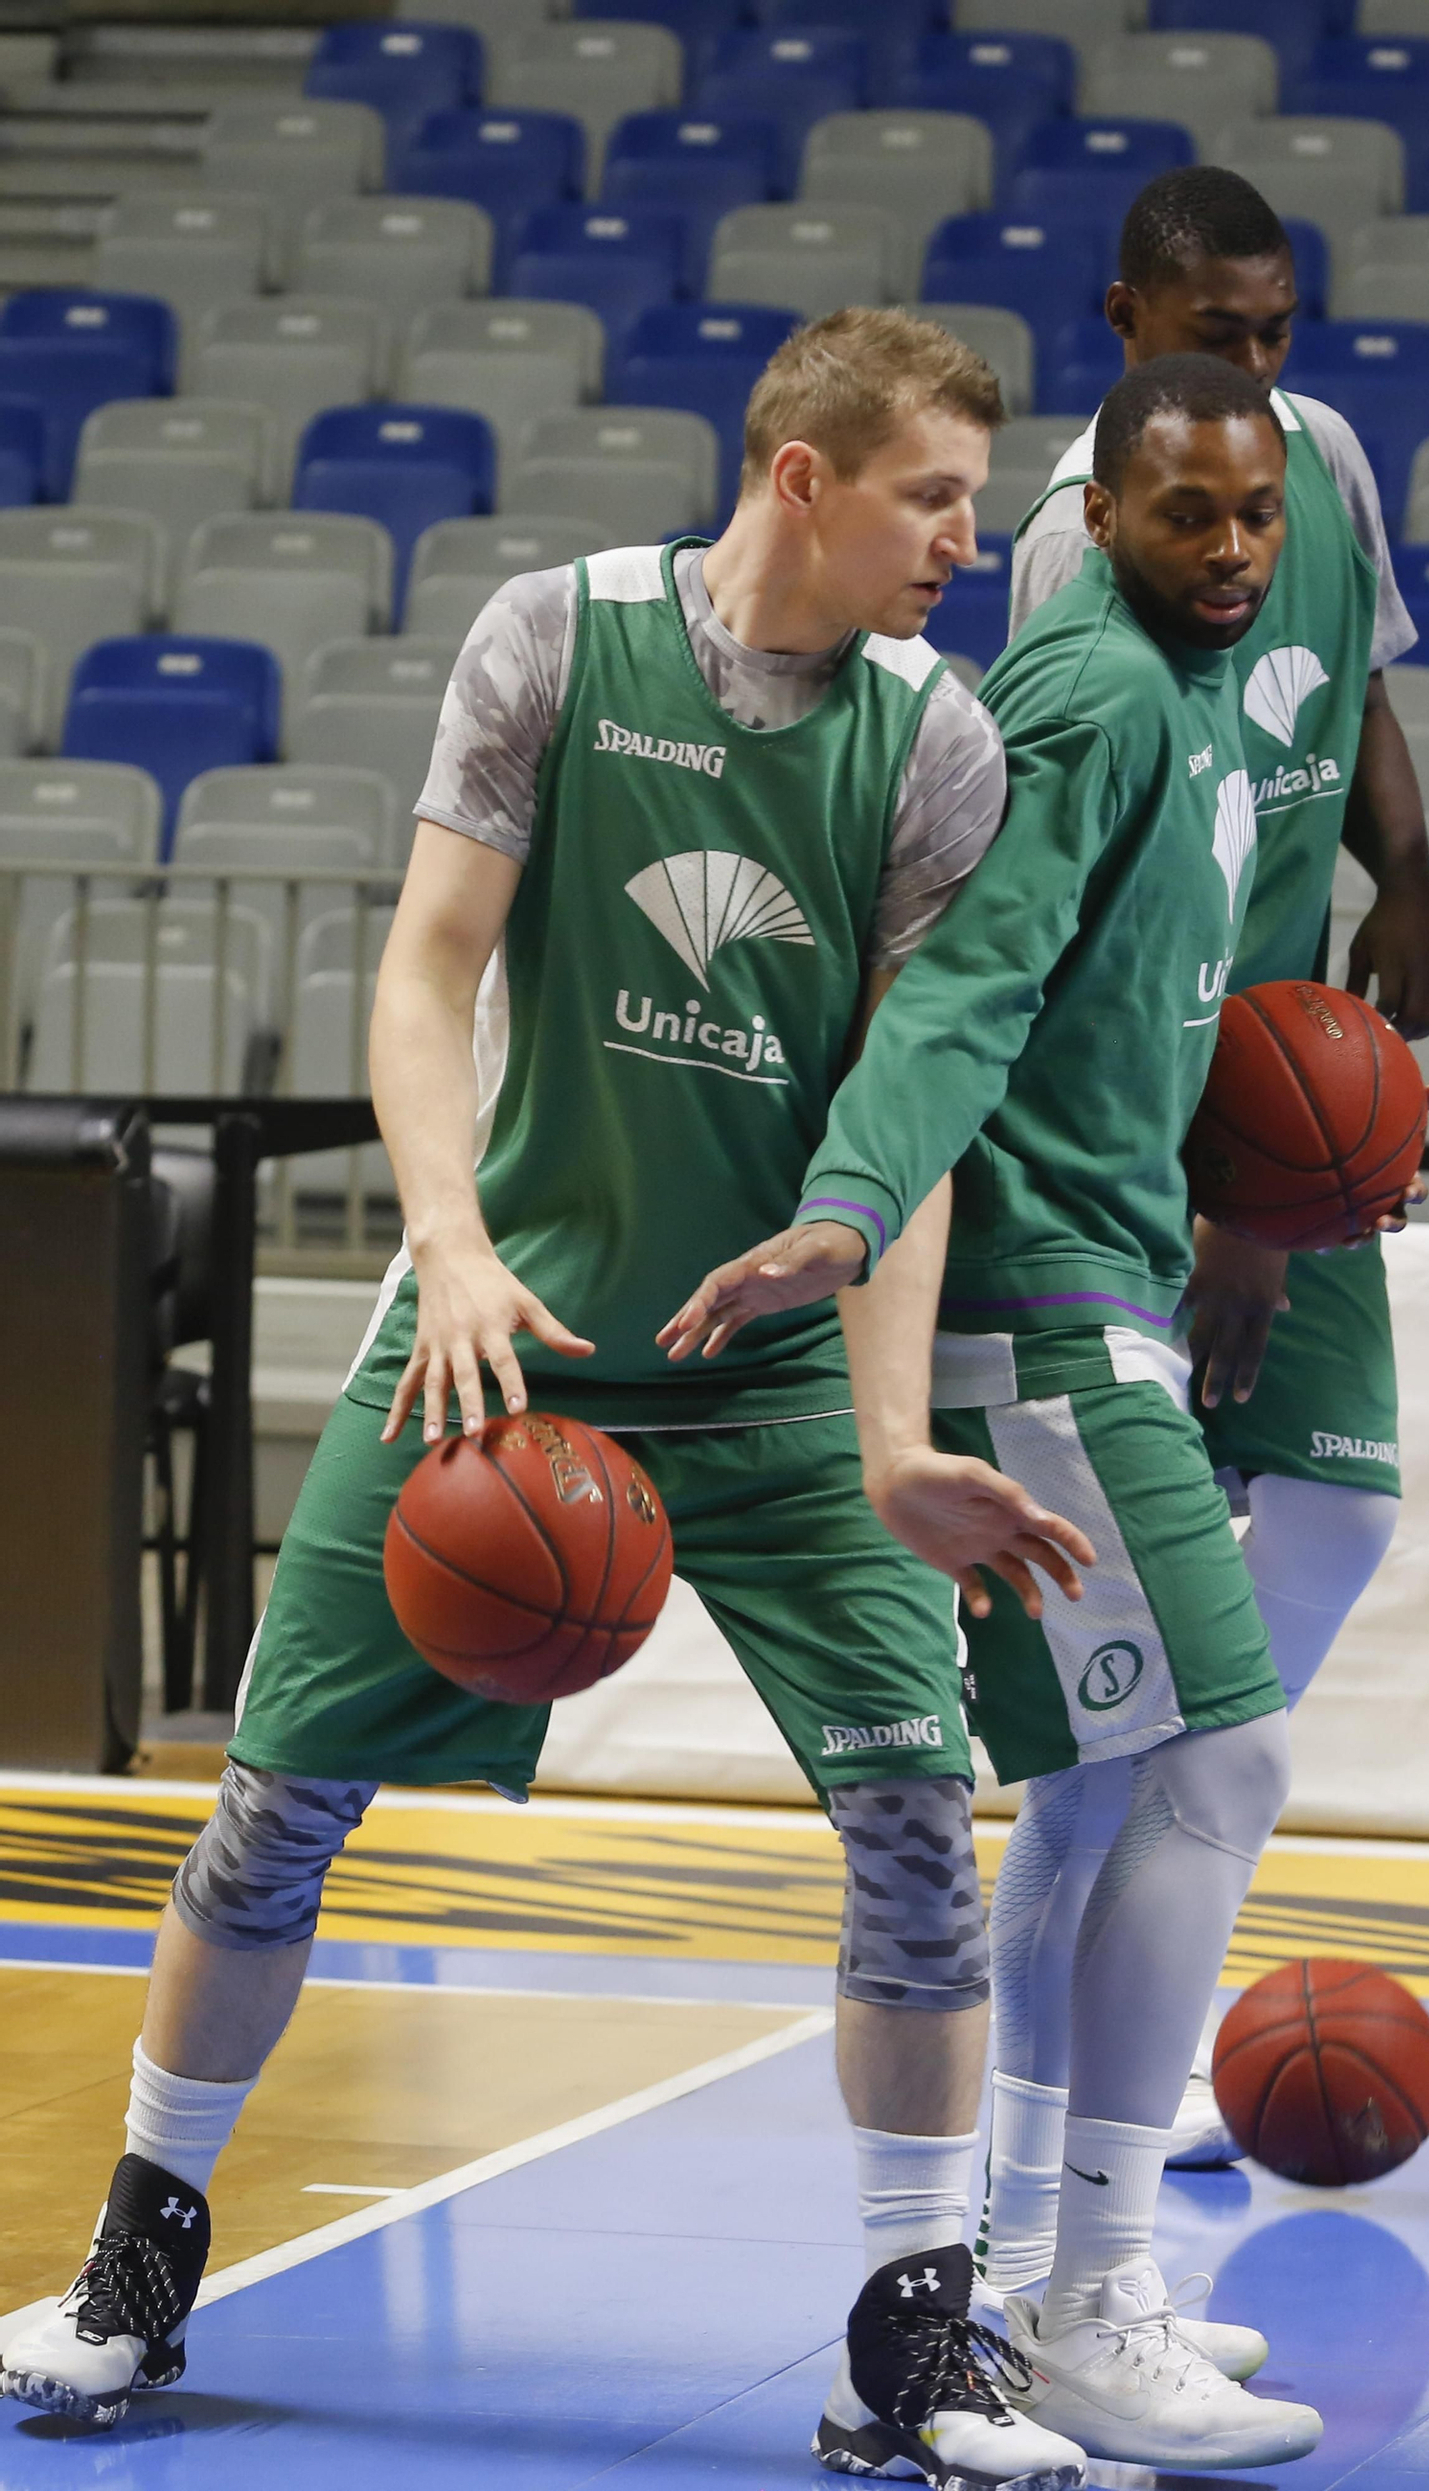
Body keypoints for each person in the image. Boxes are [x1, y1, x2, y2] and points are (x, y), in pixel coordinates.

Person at [0, 309, 1092, 2491]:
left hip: (773, 1365)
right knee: (275, 1810)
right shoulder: (554, 639)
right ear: (803, 476)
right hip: (502, 1337)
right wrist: (457, 1239)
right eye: (933, 495)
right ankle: (140, 2254)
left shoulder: (931, 737)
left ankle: (912, 2349)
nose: (970, 537)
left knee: (910, 1848)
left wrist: (889, 1444)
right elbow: (426, 962)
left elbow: (915, 1109)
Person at [660, 353, 1330, 2472]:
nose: (1227, 548)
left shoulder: (1196, 693)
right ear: (1101, 513)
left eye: (1254, 516)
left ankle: (1051, 2273)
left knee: (1116, 1789)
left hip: (1101, 1281)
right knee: (1212, 1760)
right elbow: (944, 980)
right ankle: (1088, 2285)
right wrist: (857, 1206)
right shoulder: (1086, 691)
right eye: (1185, 515)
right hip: (1034, 1308)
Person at [980, 164, 1429, 2223]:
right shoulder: (1063, 563)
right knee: (1112, 1745)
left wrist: (1405, 867)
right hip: (1123, 1131)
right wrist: (1218, 1204)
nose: (1253, 373)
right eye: (1213, 333)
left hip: (1281, 1091)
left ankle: (1160, 1811)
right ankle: (1023, 2173)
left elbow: (1344, 685)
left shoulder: (1310, 464)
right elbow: (1061, 913)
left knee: (1335, 1511)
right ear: (1120, 318)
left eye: (1275, 331)